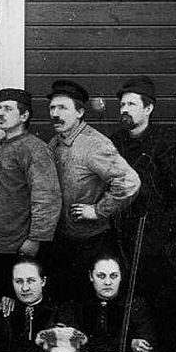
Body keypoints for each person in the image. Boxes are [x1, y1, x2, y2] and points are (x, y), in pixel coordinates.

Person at [46, 78, 140, 302]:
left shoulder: (95, 144)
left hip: (92, 242)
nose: (55, 114)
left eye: (62, 108)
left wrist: (98, 210)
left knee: (89, 299)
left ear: (79, 112)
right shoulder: (55, 143)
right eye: (52, 108)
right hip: (63, 239)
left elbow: (129, 182)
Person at [0, 88, 60, 298]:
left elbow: (47, 197)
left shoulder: (34, 149)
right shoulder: (3, 147)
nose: (1, 113)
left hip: (15, 246)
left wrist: (36, 238)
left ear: (24, 116)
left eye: (8, 109)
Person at [111, 76, 176, 298]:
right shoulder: (114, 143)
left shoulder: (165, 144)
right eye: (122, 105)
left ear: (148, 109)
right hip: (121, 235)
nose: (125, 110)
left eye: (132, 104)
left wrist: (164, 234)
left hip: (155, 239)